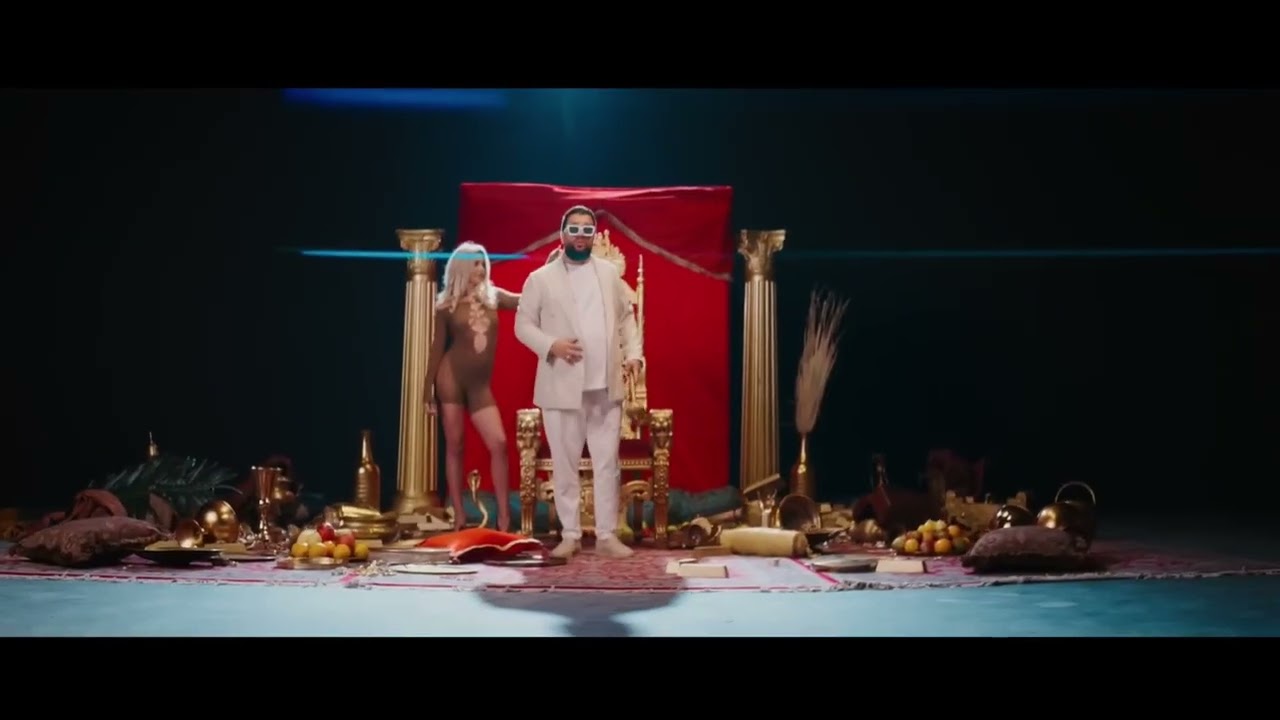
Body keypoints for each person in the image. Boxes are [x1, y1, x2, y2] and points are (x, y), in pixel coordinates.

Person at [514, 206, 643, 559]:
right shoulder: (540, 279)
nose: (581, 236)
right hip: (561, 384)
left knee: (608, 464)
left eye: (588, 230)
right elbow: (523, 325)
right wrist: (551, 345)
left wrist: (634, 354)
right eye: (575, 229)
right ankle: (569, 535)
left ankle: (606, 535)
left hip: (605, 385)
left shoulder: (609, 274)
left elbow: (626, 318)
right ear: (563, 234)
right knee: (565, 464)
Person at [424, 241, 521, 531]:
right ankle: (459, 516)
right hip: (450, 378)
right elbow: (436, 348)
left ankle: (504, 518)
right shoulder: (446, 305)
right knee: (455, 445)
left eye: (482, 263)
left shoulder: (494, 297)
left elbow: (525, 300)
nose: (481, 269)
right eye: (475, 264)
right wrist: (427, 390)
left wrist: (551, 268)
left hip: (480, 385)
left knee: (499, 444)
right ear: (462, 267)